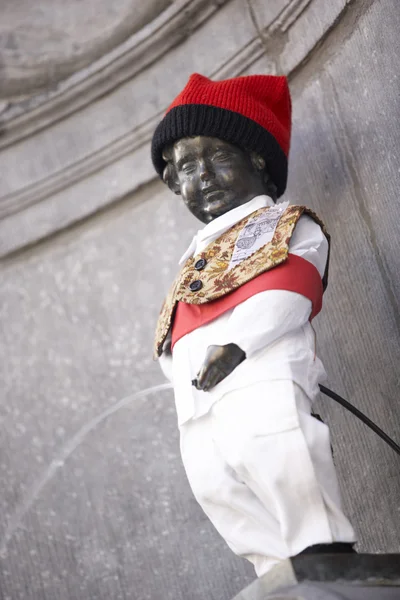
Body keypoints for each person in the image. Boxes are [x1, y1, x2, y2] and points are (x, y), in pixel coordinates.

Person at [150, 72, 356, 577]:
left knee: (274, 445)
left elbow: (290, 291)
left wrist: (238, 344)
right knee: (214, 480)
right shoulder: (192, 258)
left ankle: (321, 551)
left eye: (219, 157)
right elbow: (173, 331)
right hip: (198, 400)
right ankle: (275, 571)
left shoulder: (284, 226)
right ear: (176, 186)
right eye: (188, 168)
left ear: (257, 161)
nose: (206, 178)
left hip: (259, 371)